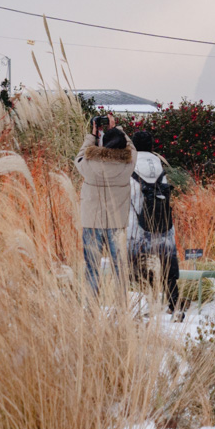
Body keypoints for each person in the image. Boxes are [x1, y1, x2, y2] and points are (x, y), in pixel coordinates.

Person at [75, 114, 135, 296]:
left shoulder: (88, 163)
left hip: (92, 223)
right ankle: (122, 305)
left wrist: (92, 136)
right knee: (120, 269)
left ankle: (92, 307)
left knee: (92, 267)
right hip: (117, 224)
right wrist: (117, 129)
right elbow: (132, 149)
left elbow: (79, 156)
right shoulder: (128, 165)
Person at [127, 129, 181, 315]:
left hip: (138, 229)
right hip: (164, 227)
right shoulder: (159, 166)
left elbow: (130, 197)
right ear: (151, 146)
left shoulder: (130, 164)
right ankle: (175, 305)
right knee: (169, 270)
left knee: (135, 268)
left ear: (133, 146)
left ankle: (145, 304)